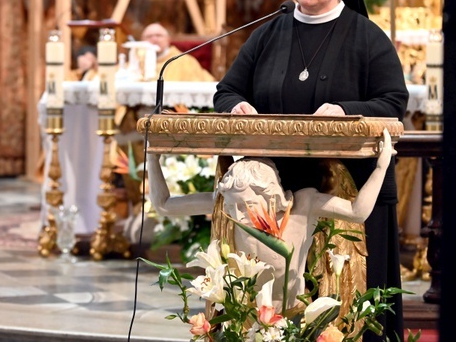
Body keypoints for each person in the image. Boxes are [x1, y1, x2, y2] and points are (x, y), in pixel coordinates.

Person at [212, 0, 408, 341]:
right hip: (271, 187)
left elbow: (393, 102)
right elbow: (227, 89)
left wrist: (345, 110)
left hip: (342, 185)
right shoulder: (270, 30)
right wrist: (235, 106)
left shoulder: (367, 38)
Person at [146, 129, 395, 314]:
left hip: (292, 316)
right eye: (233, 207)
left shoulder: (303, 206)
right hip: (244, 315)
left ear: (271, 196)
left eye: (247, 206)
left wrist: (381, 167)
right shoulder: (227, 206)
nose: (238, 216)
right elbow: (164, 205)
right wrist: (152, 160)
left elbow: (356, 211)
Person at [141, 23, 215, 82]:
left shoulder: (185, 61)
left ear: (168, 39)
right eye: (149, 36)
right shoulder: (136, 62)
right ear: (142, 40)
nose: (154, 39)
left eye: (159, 35)